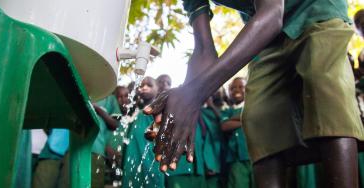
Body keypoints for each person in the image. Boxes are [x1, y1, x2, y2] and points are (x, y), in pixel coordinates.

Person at [144, 0, 364, 187]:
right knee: (258, 116)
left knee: (323, 83)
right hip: (264, 34)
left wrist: (192, 95)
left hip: (315, 8)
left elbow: (272, 14)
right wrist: (185, 104)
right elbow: (203, 49)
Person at [122, 77, 165, 188]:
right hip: (132, 163)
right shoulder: (136, 113)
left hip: (151, 163)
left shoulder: (159, 111)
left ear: (158, 90)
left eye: (149, 85)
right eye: (141, 86)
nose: (144, 87)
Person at [220, 77, 254, 188]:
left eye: (241, 87)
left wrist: (232, 119)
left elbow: (257, 117)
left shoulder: (253, 106)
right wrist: (247, 121)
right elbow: (225, 126)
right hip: (237, 159)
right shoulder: (227, 110)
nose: (236, 90)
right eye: (233, 88)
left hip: (256, 156)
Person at [91, 92, 121, 188]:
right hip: (73, 147)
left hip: (97, 149)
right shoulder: (83, 91)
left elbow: (115, 124)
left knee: (94, 183)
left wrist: (97, 108)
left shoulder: (110, 98)